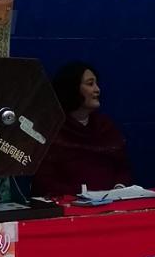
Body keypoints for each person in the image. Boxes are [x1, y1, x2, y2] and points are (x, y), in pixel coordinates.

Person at [31, 62, 132, 197]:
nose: (97, 90)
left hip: (112, 203)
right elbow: (44, 181)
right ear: (72, 88)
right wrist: (82, 195)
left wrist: (119, 189)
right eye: (90, 84)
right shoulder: (51, 129)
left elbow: (122, 168)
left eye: (96, 84)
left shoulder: (106, 127)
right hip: (68, 207)